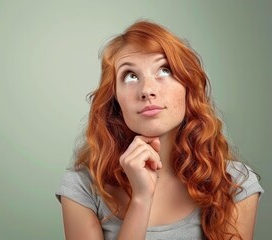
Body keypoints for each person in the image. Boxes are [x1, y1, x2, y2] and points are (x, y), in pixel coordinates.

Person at [55, 20, 264, 240]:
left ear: (187, 87)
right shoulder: (83, 185)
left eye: (164, 70)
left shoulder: (235, 183)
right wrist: (141, 199)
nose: (147, 90)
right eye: (130, 76)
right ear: (114, 98)